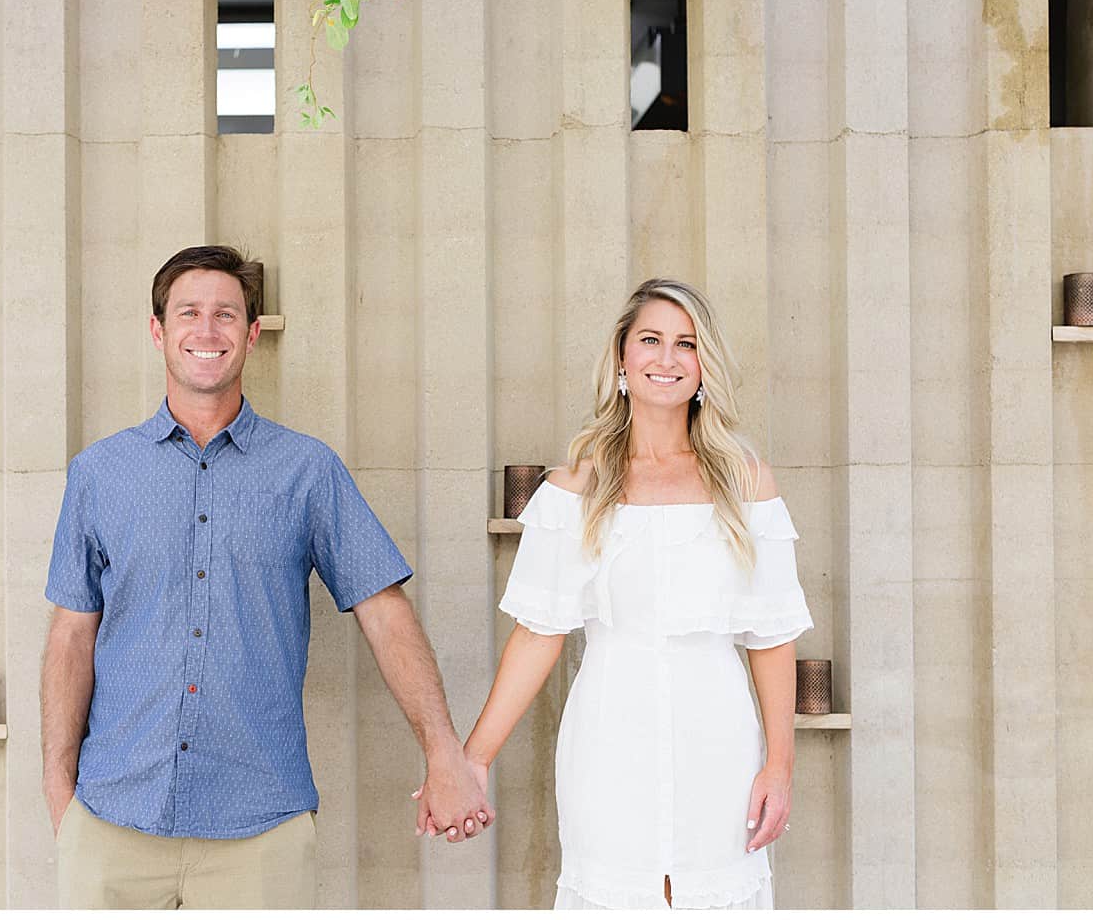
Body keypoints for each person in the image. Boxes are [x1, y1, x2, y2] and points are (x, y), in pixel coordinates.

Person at [40, 245, 492, 909]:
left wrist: (444, 752)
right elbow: (71, 635)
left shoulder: (308, 471)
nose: (207, 329)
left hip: (261, 829)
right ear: (158, 330)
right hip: (112, 820)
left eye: (226, 314)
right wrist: (60, 790)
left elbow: (385, 612)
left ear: (252, 334)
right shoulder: (99, 474)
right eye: (188, 312)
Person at [454, 277, 812, 909]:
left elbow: (772, 637)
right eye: (650, 340)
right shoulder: (574, 487)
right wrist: (473, 759)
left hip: (720, 739)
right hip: (607, 737)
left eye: (686, 344)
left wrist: (778, 766)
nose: (666, 358)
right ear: (622, 356)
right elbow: (537, 635)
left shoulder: (747, 483)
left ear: (703, 365)